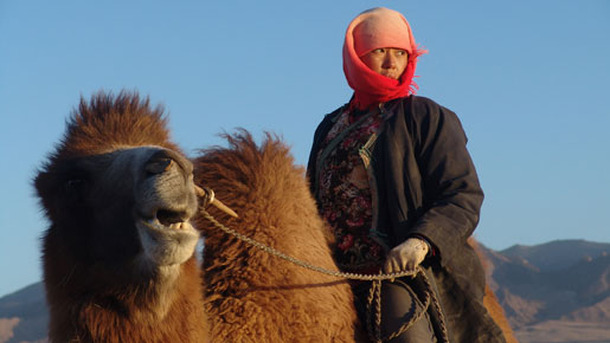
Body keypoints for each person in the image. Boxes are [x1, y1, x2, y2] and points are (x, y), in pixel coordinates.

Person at [307, 7, 506, 343]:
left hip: (398, 272)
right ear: (356, 56)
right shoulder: (329, 126)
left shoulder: (426, 117)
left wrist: (421, 241)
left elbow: (462, 195)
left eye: (400, 52)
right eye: (379, 51)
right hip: (326, 270)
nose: (391, 62)